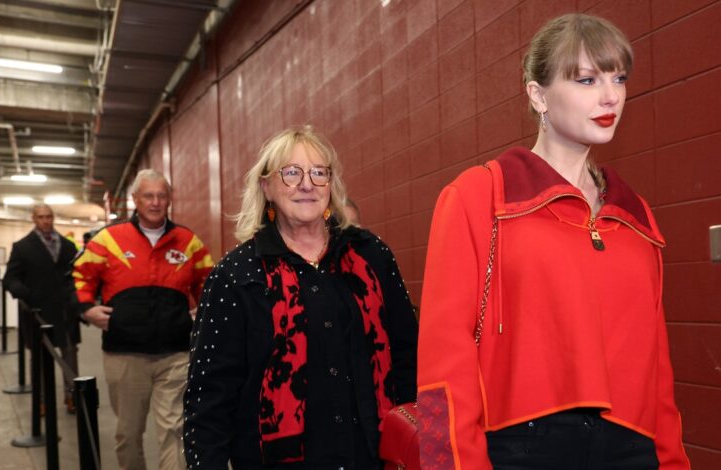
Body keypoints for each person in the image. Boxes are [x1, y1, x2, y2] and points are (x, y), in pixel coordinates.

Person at [416, 13, 690, 470]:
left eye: (618, 78)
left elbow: (657, 370)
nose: (610, 96)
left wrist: (672, 461)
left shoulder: (636, 217)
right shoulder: (479, 197)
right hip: (522, 449)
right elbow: (444, 360)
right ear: (537, 95)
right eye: (586, 79)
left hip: (631, 448)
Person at [183, 125, 417, 469]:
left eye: (318, 173)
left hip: (370, 456)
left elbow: (407, 353)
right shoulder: (236, 275)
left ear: (330, 185)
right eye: (291, 173)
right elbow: (209, 396)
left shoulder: (372, 255)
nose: (306, 184)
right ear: (266, 187)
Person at [73, 169, 213, 470]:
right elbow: (79, 276)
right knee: (128, 434)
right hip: (125, 356)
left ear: (169, 200)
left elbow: (209, 284)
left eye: (162, 196)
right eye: (148, 196)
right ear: (135, 200)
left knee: (175, 432)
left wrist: (203, 313)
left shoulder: (188, 242)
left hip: (175, 355)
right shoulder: (109, 239)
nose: (155, 202)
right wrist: (86, 309)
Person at [4, 203, 80, 413]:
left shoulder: (68, 246)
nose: (45, 221)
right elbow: (10, 279)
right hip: (38, 312)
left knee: (70, 354)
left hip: (65, 312)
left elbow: (78, 276)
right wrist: (26, 294)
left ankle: (72, 396)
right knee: (38, 358)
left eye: (48, 216)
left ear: (53, 217)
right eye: (41, 217)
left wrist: (78, 300)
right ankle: (42, 401)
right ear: (34, 219)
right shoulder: (22, 247)